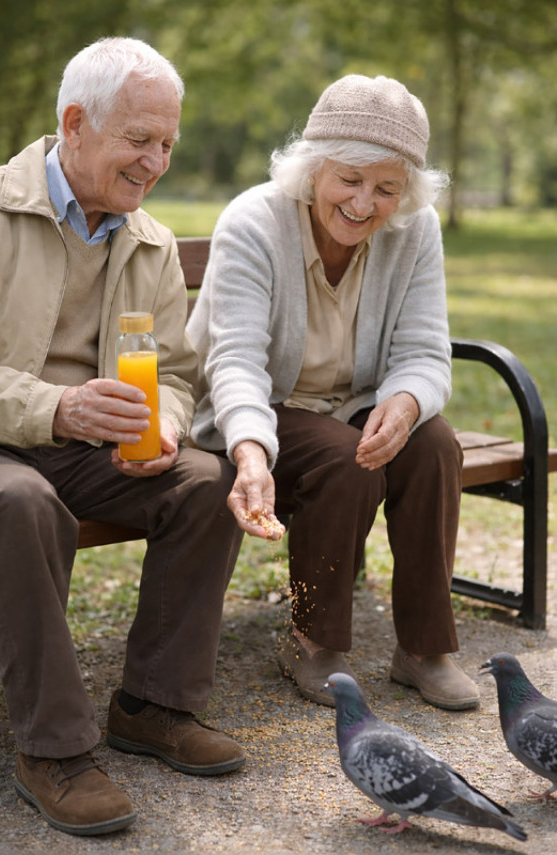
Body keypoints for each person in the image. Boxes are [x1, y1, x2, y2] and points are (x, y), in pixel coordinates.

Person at [0, 37, 246, 837]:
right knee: (22, 500)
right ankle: (54, 749)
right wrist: (55, 408)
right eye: (140, 139)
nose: (156, 161)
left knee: (206, 483)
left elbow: (172, 371)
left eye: (167, 142)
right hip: (1, 443)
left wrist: (165, 422)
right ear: (74, 123)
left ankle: (154, 705)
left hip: (94, 449)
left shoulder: (152, 242)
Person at [187, 74, 481, 713]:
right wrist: (250, 451)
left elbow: (425, 351)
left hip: (353, 406)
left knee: (433, 444)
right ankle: (310, 640)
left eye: (386, 188)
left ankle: (425, 649)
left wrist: (404, 404)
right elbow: (232, 360)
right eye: (349, 178)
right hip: (257, 410)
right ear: (313, 167)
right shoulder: (254, 220)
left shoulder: (415, 230)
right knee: (342, 458)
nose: (364, 202)